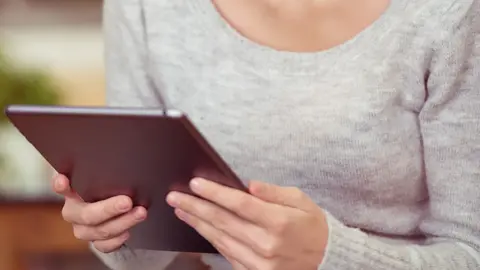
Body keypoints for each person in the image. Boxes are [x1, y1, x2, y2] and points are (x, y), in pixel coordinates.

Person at [52, 0, 480, 269]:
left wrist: (330, 258)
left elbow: (470, 252)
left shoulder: (448, 14)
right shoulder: (145, 8)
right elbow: (144, 259)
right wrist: (113, 230)